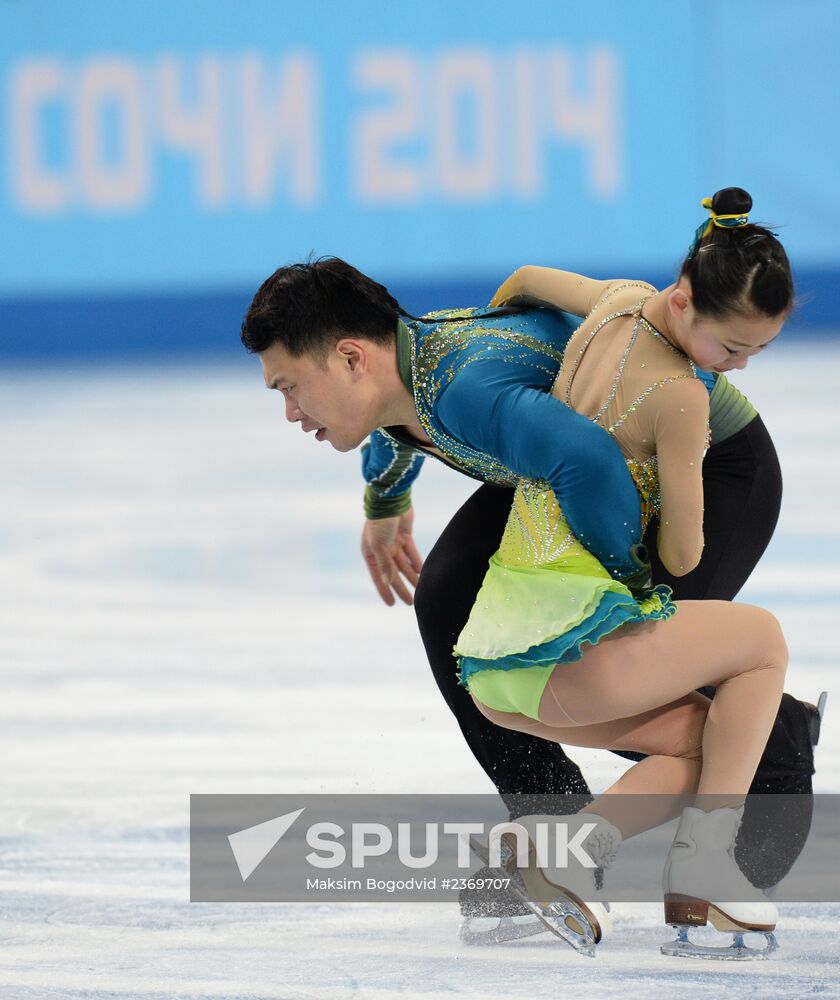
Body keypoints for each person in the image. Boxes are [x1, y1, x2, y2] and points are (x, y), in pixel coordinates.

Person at [239, 191, 819, 955]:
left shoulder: (467, 389)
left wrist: (614, 593)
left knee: (628, 654)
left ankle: (766, 764)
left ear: (350, 355)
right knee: (448, 592)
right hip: (570, 468)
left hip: (710, 466)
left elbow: (590, 459)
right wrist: (385, 502)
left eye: (290, 388)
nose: (289, 411)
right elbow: (392, 418)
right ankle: (552, 821)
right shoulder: (400, 370)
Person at [449, 187, 798, 957]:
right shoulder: (680, 395)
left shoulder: (615, 301)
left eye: (755, 355)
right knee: (762, 640)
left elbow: (526, 279)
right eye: (733, 350)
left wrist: (498, 332)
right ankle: (709, 860)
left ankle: (574, 856)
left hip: (497, 658)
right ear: (684, 302)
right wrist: (685, 460)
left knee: (707, 743)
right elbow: (682, 557)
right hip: (573, 650)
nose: (738, 367)